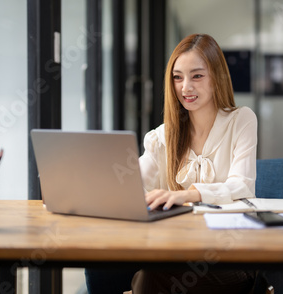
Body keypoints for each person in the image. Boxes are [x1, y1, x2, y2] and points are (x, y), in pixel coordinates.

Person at [85, 33, 258, 294]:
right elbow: (135, 186)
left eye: (197, 76)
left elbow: (241, 185)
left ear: (217, 78)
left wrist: (184, 196)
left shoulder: (241, 121)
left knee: (152, 276)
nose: (185, 87)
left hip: (230, 255)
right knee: (102, 264)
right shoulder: (161, 137)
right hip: (174, 251)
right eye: (178, 77)